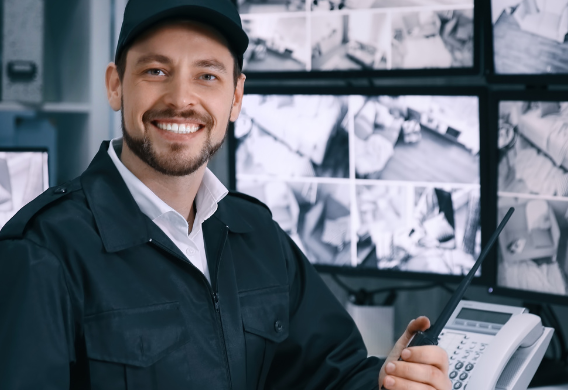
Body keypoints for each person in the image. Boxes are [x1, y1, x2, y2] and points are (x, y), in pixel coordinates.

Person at [0, 0, 450, 389]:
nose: (181, 99)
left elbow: (332, 376)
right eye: (156, 70)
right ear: (116, 85)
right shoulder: (42, 253)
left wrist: (390, 379)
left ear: (236, 97)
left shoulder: (256, 234)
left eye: (208, 76)